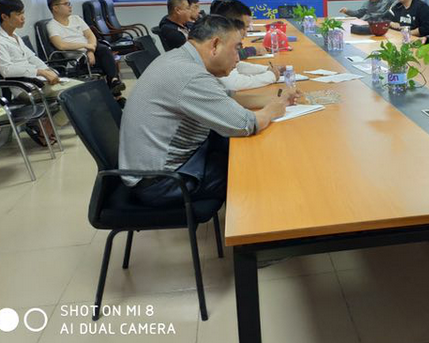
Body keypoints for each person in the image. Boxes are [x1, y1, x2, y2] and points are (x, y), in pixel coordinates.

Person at [119, 15, 296, 206]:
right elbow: (245, 123)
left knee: (246, 152)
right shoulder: (189, 75)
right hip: (163, 182)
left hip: (165, 166)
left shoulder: (180, 58)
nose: (238, 58)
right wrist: (272, 110)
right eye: (236, 49)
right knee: (255, 170)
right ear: (215, 45)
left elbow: (225, 96)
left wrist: (270, 99)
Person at [0, 0, 81, 141]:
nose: (23, 17)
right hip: (25, 88)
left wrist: (49, 71)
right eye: (18, 14)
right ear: (4, 17)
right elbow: (7, 70)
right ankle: (47, 127)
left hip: (39, 82)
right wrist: (40, 72)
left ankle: (46, 125)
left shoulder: (15, 36)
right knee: (76, 93)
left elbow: (32, 58)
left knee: (83, 89)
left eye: (23, 13)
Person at [45, 0, 125, 96]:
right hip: (78, 58)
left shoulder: (76, 19)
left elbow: (90, 36)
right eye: (66, 4)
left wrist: (90, 51)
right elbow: (61, 45)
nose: (70, 6)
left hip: (91, 51)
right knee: (107, 61)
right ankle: (115, 88)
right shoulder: (52, 25)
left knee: (104, 49)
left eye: (69, 3)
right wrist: (85, 46)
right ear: (55, 8)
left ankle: (114, 84)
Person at [210, 0, 281, 90]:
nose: (246, 34)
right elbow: (234, 84)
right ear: (231, 24)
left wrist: (267, 69)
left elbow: (236, 66)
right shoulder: (217, 44)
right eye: (245, 28)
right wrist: (270, 76)